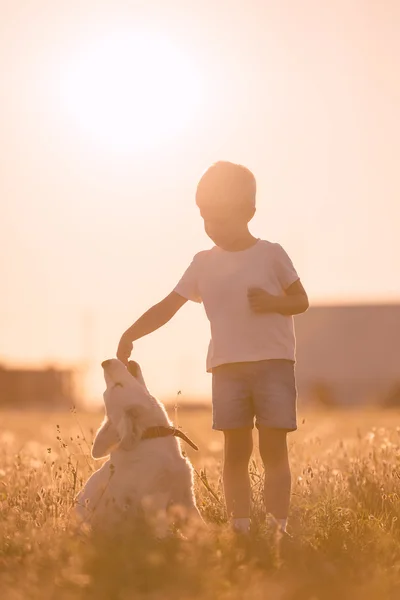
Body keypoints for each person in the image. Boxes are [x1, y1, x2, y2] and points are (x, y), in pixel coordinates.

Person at [117, 161, 309, 535]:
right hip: (226, 370)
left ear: (250, 212)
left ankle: (277, 528)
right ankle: (241, 529)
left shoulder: (271, 254)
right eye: (206, 218)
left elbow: (300, 300)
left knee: (273, 451)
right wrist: (131, 332)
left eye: (222, 217)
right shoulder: (202, 263)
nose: (213, 227)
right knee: (235, 453)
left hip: (274, 367)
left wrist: (274, 303)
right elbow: (168, 306)